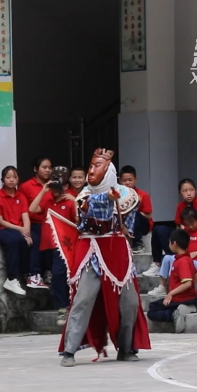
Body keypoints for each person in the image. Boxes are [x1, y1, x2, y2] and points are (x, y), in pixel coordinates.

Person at [58, 148, 151, 367]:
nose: (91, 170)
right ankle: (69, 350)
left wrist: (123, 222)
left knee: (129, 302)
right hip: (92, 250)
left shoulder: (129, 195)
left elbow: (127, 226)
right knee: (83, 298)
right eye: (91, 166)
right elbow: (91, 208)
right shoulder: (84, 195)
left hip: (118, 250)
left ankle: (126, 348)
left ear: (109, 170)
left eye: (97, 166)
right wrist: (108, 198)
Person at [32, 168, 78, 325]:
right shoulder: (48, 202)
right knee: (55, 275)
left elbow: (79, 220)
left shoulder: (70, 202)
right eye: (52, 187)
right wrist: (44, 190)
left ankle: (63, 308)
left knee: (59, 274)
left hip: (64, 246)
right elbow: (32, 209)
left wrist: (75, 201)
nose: (54, 190)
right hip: (48, 244)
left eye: (57, 187)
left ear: (65, 186)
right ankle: (64, 305)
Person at [143, 179, 197, 276]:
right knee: (158, 229)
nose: (189, 193)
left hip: (195, 235)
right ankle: (157, 263)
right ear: (180, 194)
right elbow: (178, 224)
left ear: (196, 190)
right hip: (183, 233)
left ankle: (174, 261)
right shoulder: (180, 206)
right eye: (184, 191)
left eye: (191, 190)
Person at [146, 207, 197, 297]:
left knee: (177, 262)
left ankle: (174, 288)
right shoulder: (186, 230)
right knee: (167, 258)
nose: (190, 227)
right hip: (186, 259)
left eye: (192, 223)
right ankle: (162, 287)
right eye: (187, 224)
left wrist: (196, 253)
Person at [146, 229, 197, 334]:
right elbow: (196, 276)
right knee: (154, 306)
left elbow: (188, 283)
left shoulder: (182, 261)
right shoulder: (185, 259)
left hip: (182, 298)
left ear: (174, 244)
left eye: (169, 242)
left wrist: (171, 293)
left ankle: (174, 314)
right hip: (184, 297)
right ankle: (181, 309)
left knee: (152, 312)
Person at [0, 166, 31, 296]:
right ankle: (12, 278)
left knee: (31, 240)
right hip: (1, 228)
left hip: (17, 229)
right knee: (14, 240)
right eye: (8, 177)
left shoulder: (21, 196)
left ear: (18, 179)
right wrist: (21, 229)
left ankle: (29, 274)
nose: (11, 180)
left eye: (14, 177)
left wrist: (27, 233)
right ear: (2, 179)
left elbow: (26, 217)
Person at [19, 157, 52, 289]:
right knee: (39, 238)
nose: (48, 170)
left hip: (49, 223)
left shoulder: (53, 186)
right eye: (44, 167)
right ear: (35, 169)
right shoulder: (26, 186)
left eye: (50, 168)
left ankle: (49, 271)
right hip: (32, 222)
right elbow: (22, 208)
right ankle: (34, 274)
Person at [119, 166, 153, 254]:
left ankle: (138, 242)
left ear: (135, 179)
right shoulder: (117, 195)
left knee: (133, 211)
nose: (127, 183)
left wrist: (131, 214)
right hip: (123, 224)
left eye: (130, 180)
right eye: (124, 180)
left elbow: (148, 215)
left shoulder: (143, 195)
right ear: (120, 181)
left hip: (142, 226)